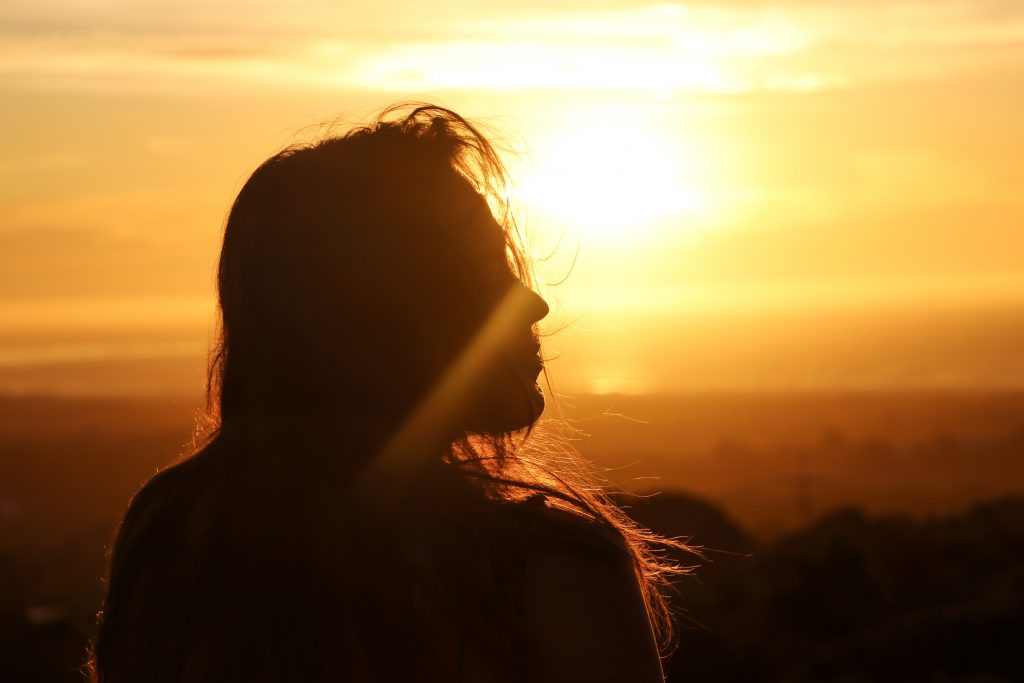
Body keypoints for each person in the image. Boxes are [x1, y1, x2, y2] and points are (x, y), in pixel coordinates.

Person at [88, 104, 682, 682]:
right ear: (386, 314)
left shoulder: (175, 527)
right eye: (486, 271)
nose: (533, 302)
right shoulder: (550, 570)